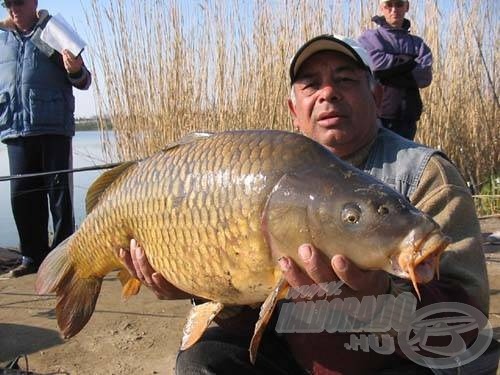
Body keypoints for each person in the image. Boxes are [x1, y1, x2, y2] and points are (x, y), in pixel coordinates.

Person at [121, 35, 493, 373]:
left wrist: (381, 297)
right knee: (205, 359)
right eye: (311, 84)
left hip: (385, 360)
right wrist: (187, 283)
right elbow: (239, 300)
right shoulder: (257, 173)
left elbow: (465, 325)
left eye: (345, 80)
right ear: (292, 109)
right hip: (293, 352)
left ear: (377, 96)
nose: (327, 93)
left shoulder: (425, 174)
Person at [0, 0, 92, 277]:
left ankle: (65, 260)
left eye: (19, 1)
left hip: (53, 127)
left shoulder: (54, 31)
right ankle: (32, 258)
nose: (14, 7)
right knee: (22, 197)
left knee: (59, 197)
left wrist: (74, 68)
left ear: (34, 2)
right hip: (15, 128)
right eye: (8, 3)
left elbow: (84, 80)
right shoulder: (1, 38)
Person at [358, 0, 432, 140]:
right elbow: (375, 65)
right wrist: (409, 63)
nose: (394, 10)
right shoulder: (370, 37)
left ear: (407, 7)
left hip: (408, 120)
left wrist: (390, 71)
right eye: (389, 5)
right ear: (382, 7)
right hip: (379, 118)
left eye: (399, 4)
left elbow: (425, 76)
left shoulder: (418, 44)